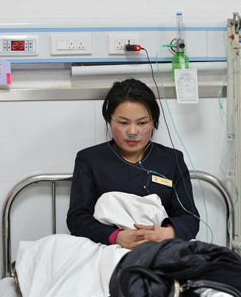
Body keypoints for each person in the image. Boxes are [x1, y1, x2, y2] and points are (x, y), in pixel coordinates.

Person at [67, 78, 200, 249]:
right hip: (107, 247)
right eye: (123, 123)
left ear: (154, 122)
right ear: (109, 120)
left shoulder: (171, 159)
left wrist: (163, 234)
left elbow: (189, 218)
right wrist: (117, 237)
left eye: (142, 123)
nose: (132, 132)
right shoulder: (90, 159)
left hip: (161, 247)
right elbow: (77, 219)